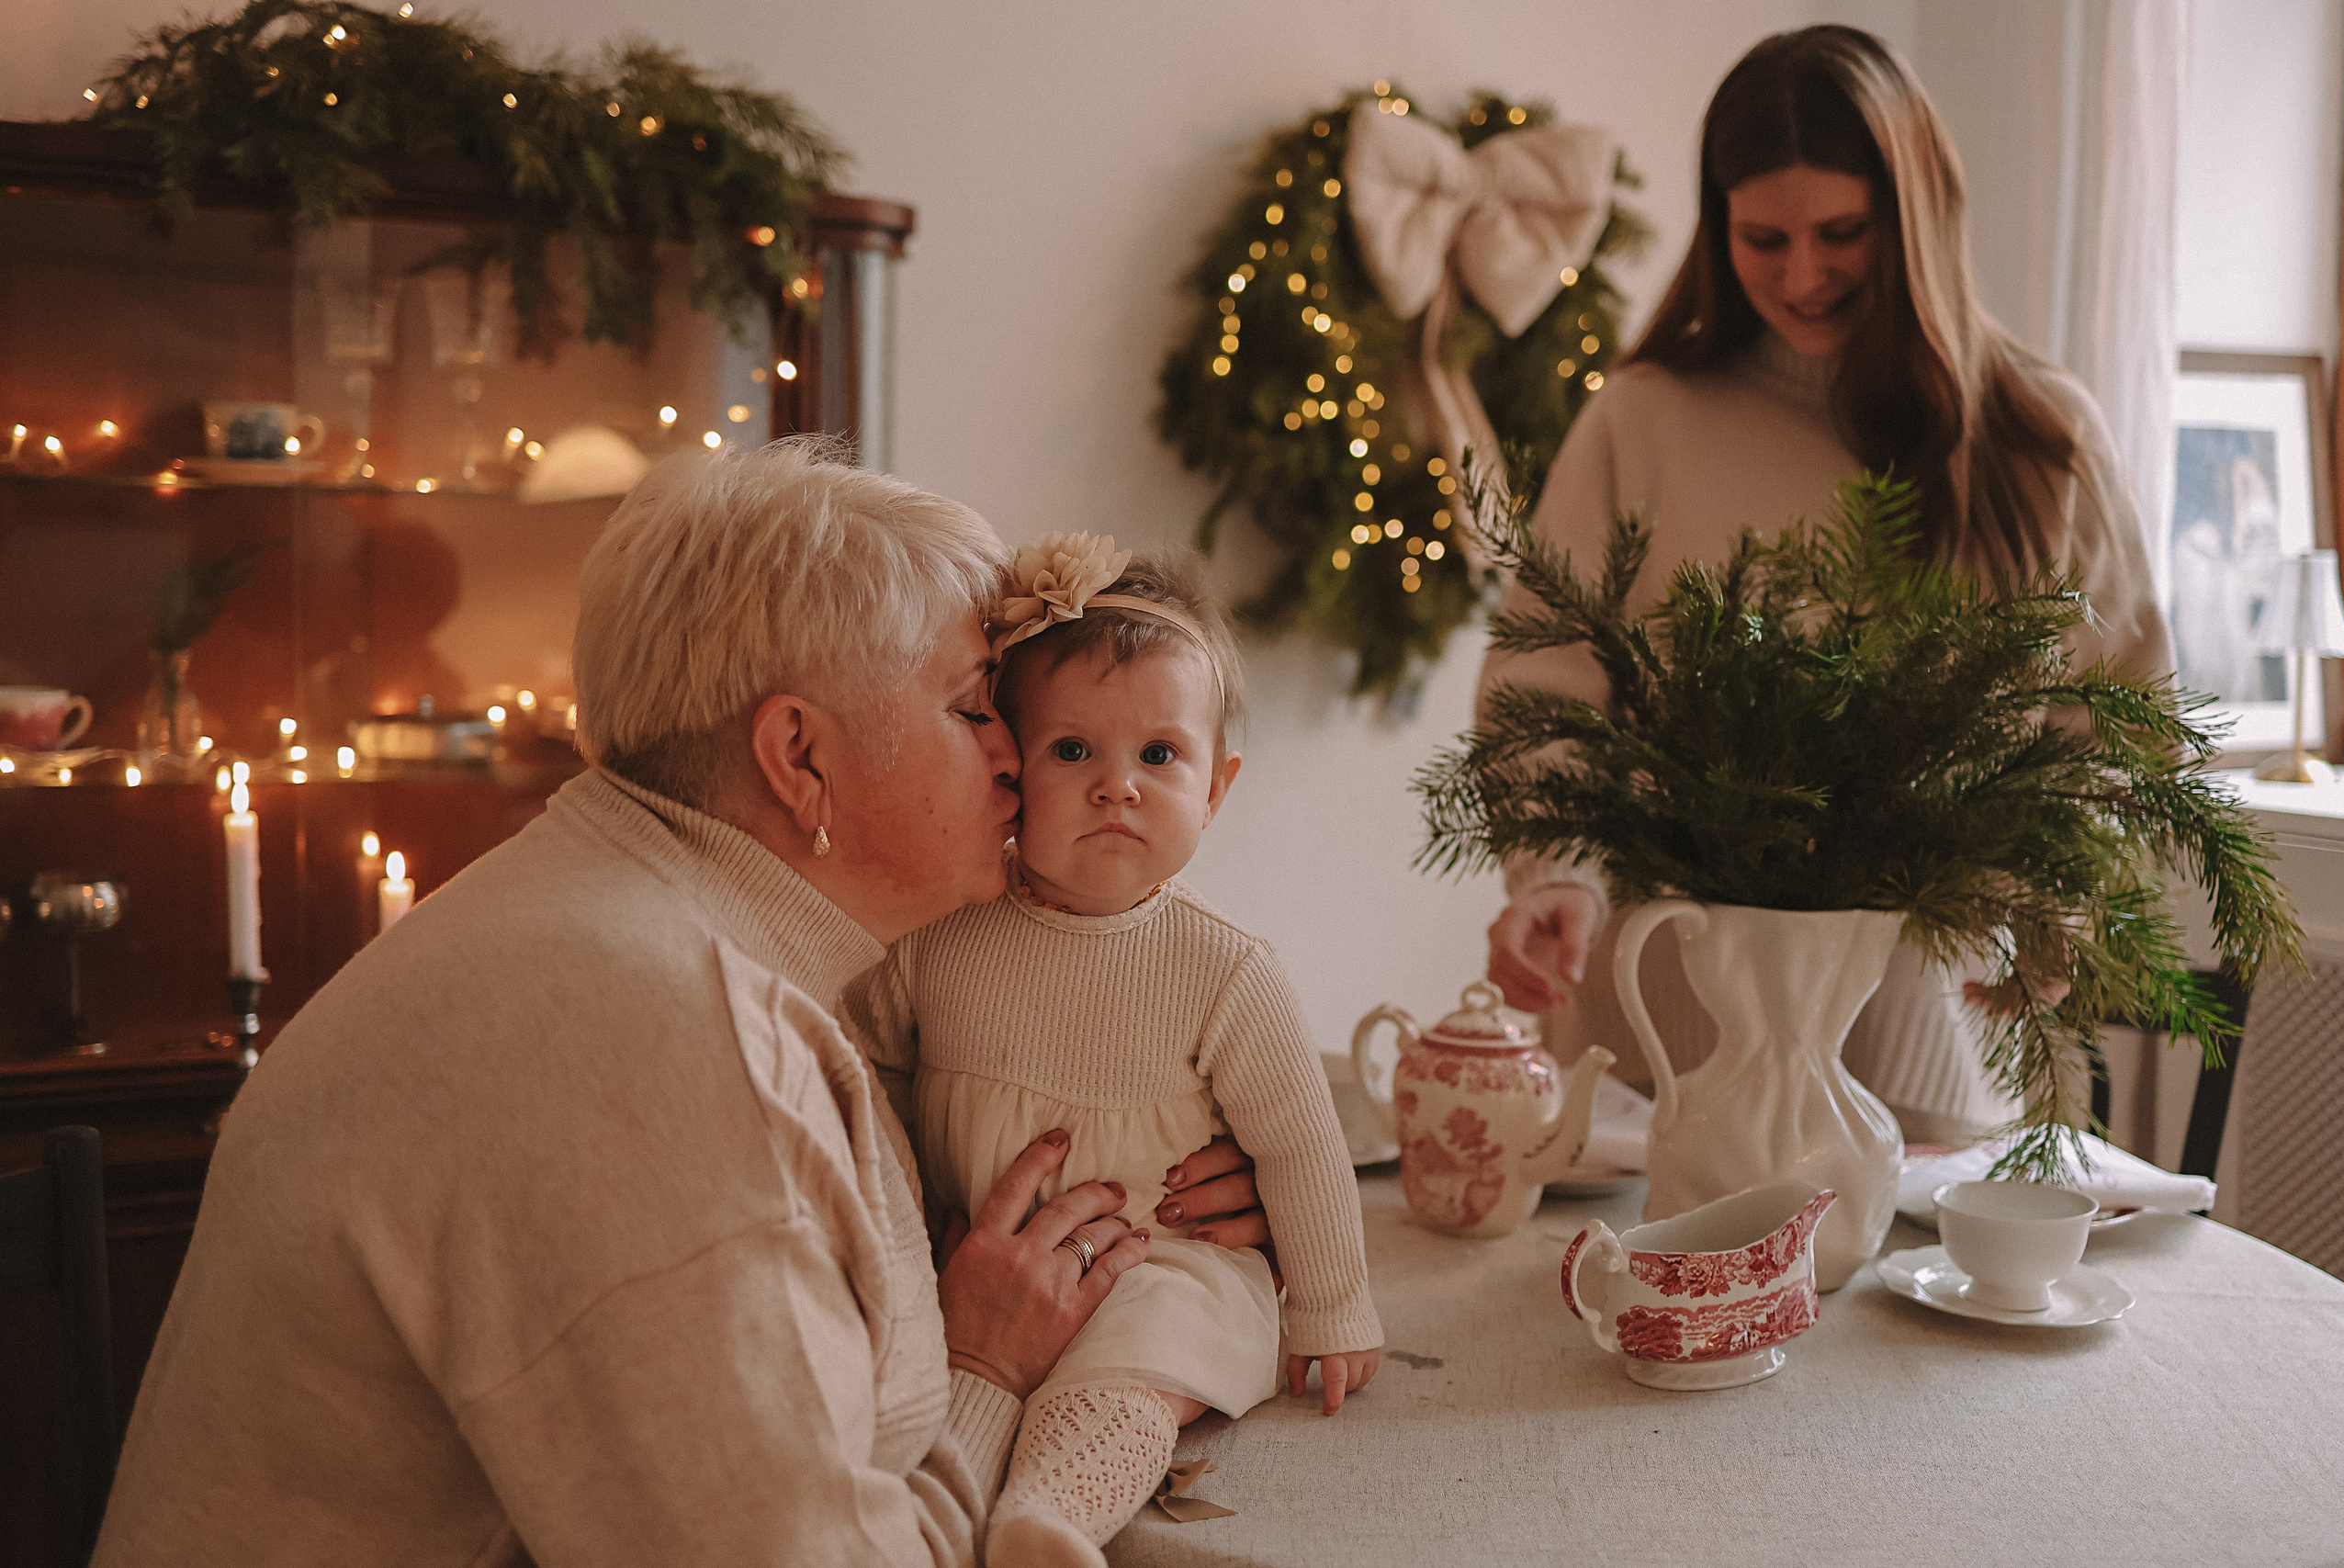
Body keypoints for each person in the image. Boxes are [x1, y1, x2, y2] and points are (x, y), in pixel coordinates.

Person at [96, 443, 1270, 1566]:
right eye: (972, 708)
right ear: (799, 758)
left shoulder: (625, 904)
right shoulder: (653, 1030)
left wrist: (1169, 1181)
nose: (1017, 759)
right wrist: (981, 1373)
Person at [1478, 24, 2172, 1143]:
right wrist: (1549, 873)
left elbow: (2120, 716)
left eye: (1843, 233)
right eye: (1764, 238)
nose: (1803, 276)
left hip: (1932, 1043)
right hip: (1662, 1042)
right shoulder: (1641, 420)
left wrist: (2068, 900)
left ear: (1914, 217)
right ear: (1719, 229)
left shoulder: (2041, 441)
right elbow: (1544, 686)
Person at [847, 538, 1381, 1567]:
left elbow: (1300, 1144)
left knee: (1143, 1364)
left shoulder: (1226, 967)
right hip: (978, 1261)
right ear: (1008, 766)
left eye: (1158, 757)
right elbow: (876, 1079)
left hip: (1159, 1257)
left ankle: (1048, 1515)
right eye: (1073, 752)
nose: (1117, 789)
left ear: (1216, 785)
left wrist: (1329, 1302)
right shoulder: (939, 932)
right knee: (936, 1368)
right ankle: (974, 1476)